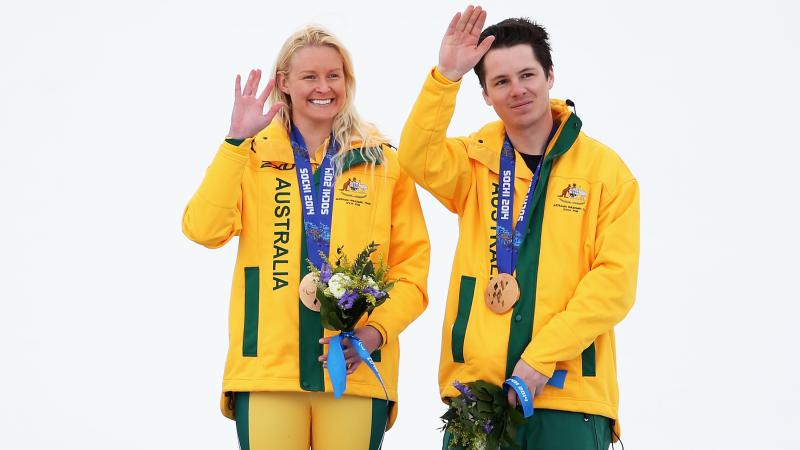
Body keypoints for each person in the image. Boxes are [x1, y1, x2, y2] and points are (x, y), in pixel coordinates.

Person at [398, 6, 639, 449]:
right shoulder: (474, 161)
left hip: (569, 398)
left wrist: (542, 358)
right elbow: (415, 155)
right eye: (501, 82)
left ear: (550, 76)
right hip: (479, 395)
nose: (517, 90)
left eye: (527, 75)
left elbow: (614, 284)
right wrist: (446, 77)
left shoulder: (606, 172)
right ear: (487, 95)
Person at [183, 25, 430, 450]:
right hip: (268, 370)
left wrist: (378, 332)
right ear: (284, 83)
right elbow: (204, 230)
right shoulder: (253, 153)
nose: (323, 87)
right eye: (310, 77)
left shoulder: (381, 161)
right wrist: (235, 141)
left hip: (355, 368)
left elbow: (412, 270)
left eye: (334, 75)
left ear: (347, 81)